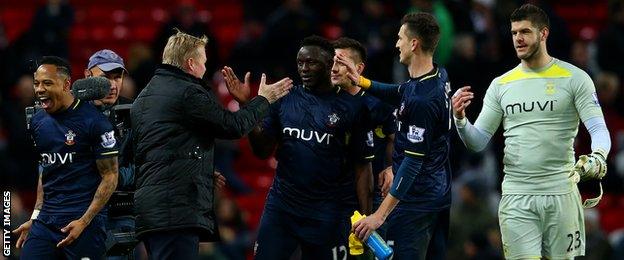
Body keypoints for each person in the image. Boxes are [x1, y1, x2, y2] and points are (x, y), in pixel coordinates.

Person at [451, 4, 611, 259]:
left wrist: (598, 156)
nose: (518, 38)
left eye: (525, 31)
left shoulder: (575, 78)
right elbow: (478, 141)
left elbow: (598, 129)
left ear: (544, 33)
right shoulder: (501, 85)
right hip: (517, 196)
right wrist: (460, 120)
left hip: (561, 192)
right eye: (514, 33)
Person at [131, 30, 292, 259]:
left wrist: (200, 171)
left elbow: (159, 150)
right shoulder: (187, 91)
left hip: (151, 209)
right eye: (203, 62)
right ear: (190, 63)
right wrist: (263, 99)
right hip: (175, 210)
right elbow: (232, 126)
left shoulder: (144, 97)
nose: (205, 68)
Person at [222, 35, 373, 259]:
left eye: (311, 62)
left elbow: (362, 167)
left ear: (330, 64)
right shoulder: (284, 98)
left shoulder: (352, 107)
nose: (304, 68)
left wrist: (366, 217)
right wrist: (247, 106)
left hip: (327, 214)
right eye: (300, 62)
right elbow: (262, 151)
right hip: (282, 209)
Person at [338, 12, 453, 259]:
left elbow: (412, 164)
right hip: (438, 195)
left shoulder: (422, 100)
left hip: (415, 203)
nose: (396, 44)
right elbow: (402, 91)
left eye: (400, 38)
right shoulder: (437, 76)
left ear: (414, 43)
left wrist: (380, 215)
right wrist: (362, 82)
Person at [13, 56, 119, 259]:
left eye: (47, 83)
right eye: (36, 83)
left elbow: (111, 176)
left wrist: (84, 221)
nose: (39, 89)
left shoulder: (94, 122)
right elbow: (45, 168)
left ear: (66, 84)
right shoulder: (37, 122)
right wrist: (35, 217)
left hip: (82, 221)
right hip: (45, 222)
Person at [330, 37, 395, 233]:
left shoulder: (378, 102)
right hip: (334, 194)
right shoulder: (325, 101)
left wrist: (392, 167)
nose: (333, 68)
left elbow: (396, 138)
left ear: (359, 68)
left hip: (373, 193)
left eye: (340, 63)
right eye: (331, 62)